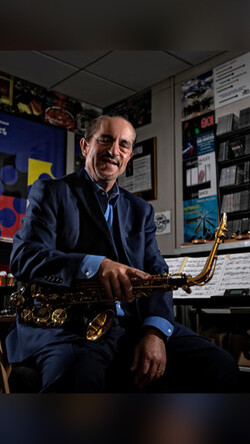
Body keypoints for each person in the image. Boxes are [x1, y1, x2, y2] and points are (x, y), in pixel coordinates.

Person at [6, 115, 239, 392]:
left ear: (128, 156)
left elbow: (158, 275)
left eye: (124, 145)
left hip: (133, 326)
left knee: (221, 366)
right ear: (84, 147)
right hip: (70, 327)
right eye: (105, 139)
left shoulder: (141, 211)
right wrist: (95, 265)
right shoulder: (52, 192)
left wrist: (155, 332)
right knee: (77, 381)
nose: (114, 151)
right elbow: (24, 257)